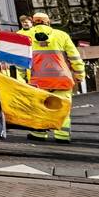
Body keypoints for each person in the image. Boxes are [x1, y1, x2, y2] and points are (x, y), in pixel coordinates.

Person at [26, 12, 85, 143]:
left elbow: (19, 62)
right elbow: (75, 57)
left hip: (37, 81)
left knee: (39, 107)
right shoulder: (62, 35)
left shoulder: (24, 36)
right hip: (61, 79)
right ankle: (62, 136)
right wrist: (80, 74)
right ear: (48, 22)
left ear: (33, 22)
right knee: (62, 108)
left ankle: (38, 134)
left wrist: (22, 78)